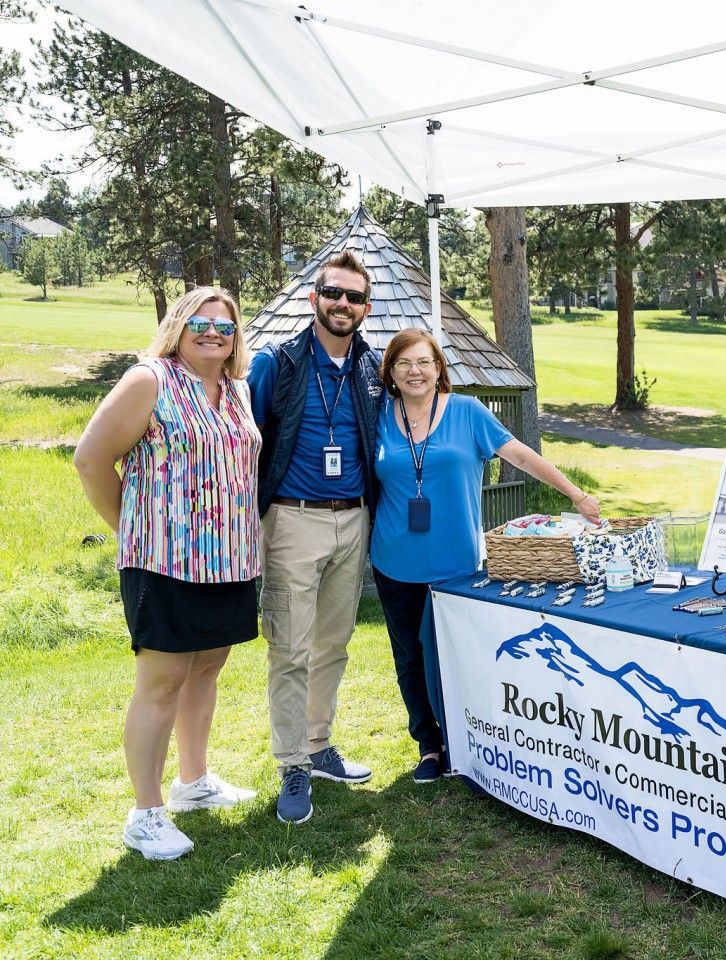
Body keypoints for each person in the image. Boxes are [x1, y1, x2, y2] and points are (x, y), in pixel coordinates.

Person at [74, 287, 261, 860]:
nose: (212, 333)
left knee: (206, 669)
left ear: (235, 338)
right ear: (178, 326)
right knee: (161, 686)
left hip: (230, 559)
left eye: (224, 327)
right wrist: (132, 528)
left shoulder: (237, 390)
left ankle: (193, 783)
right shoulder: (149, 379)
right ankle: (145, 812)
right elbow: (90, 458)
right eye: (200, 323)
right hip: (164, 561)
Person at [370, 329, 601, 782]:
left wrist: (574, 493)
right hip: (394, 561)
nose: (415, 372)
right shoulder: (376, 417)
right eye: (403, 364)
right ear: (391, 374)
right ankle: (429, 745)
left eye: (424, 362)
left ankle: (467, 735)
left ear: (439, 368)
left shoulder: (467, 413)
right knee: (410, 657)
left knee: (459, 655)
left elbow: (522, 456)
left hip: (458, 565)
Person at [247, 249, 383, 824]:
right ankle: (292, 765)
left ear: (365, 308)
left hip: (352, 519)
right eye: (334, 294)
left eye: (354, 297)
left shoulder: (373, 368)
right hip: (292, 520)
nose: (343, 305)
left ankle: (318, 743)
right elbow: (245, 443)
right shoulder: (277, 363)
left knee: (333, 643)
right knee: (291, 648)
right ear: (314, 299)